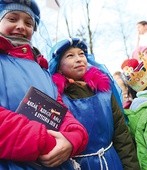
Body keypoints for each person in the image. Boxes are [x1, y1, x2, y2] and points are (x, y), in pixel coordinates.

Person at [0, 1, 88, 169]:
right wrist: (46, 142)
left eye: (28, 23)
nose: (21, 26)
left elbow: (59, 110)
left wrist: (74, 137)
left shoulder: (41, 70)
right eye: (12, 19)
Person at [48, 38, 140, 170]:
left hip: (112, 163)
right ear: (58, 67)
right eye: (70, 55)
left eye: (81, 54)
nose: (79, 59)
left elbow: (122, 136)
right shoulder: (56, 99)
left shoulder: (105, 93)